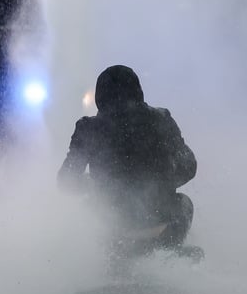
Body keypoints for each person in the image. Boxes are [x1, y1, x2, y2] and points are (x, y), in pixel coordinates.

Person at [58, 65, 197, 249]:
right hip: (158, 218)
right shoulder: (161, 118)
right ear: (138, 90)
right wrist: (160, 183)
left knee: (87, 205)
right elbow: (188, 165)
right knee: (183, 203)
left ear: (101, 95)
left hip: (114, 222)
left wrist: (96, 186)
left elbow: (67, 180)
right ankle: (170, 252)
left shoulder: (89, 128)